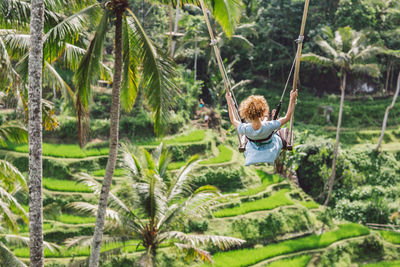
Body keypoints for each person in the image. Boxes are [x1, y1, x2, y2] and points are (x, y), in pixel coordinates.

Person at [225, 90, 298, 166]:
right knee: (277, 132)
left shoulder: (245, 128)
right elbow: (287, 117)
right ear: (262, 112)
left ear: (246, 113)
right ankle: (272, 120)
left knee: (266, 129)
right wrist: (292, 99)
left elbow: (233, 120)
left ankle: (269, 119)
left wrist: (229, 101)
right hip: (271, 148)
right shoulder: (269, 126)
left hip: (253, 148)